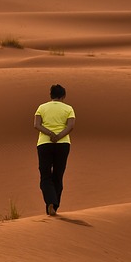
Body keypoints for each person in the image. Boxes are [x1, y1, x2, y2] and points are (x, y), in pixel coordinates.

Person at [33, 84, 75, 216]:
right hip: (63, 144)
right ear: (63, 96)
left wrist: (50, 134)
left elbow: (37, 125)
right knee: (58, 174)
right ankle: (55, 206)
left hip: (44, 144)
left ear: (51, 95)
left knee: (45, 175)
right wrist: (58, 136)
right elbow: (70, 126)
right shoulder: (69, 108)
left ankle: (50, 202)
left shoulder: (42, 107)